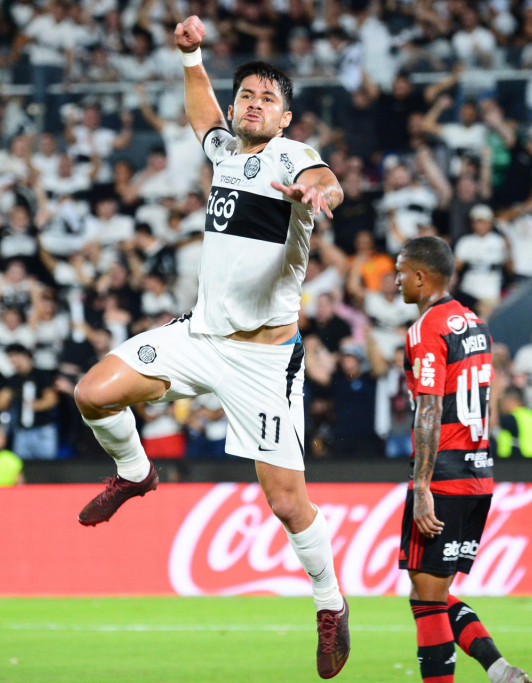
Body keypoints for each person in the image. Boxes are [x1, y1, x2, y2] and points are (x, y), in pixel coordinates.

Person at [71, 17, 350, 677]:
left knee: (285, 501)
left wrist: (321, 190)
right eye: (245, 94)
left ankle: (330, 600)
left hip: (262, 360)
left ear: (286, 116)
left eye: (266, 98)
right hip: (199, 336)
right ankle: (137, 472)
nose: (253, 103)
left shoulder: (291, 157)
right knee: (93, 392)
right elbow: (202, 110)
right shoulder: (226, 151)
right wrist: (191, 54)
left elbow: (326, 176)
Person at [394, 236, 531, 683]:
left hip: (445, 474)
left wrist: (420, 486)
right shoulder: (474, 323)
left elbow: (430, 409)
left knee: (428, 598)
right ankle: (498, 670)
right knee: (431, 589)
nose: (395, 281)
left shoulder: (426, 328)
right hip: (479, 472)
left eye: (400, 272)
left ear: (420, 276)